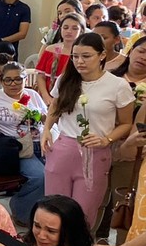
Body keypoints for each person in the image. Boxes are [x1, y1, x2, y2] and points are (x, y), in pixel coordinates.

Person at [41, 31, 133, 228]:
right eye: (75, 56)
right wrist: (47, 129)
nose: (79, 62)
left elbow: (126, 124)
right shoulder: (66, 79)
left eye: (86, 56)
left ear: (101, 55)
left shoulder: (117, 85)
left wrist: (106, 139)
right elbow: (55, 108)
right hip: (63, 149)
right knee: (54, 208)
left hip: (96, 152)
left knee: (84, 213)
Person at [0, 61, 49, 223]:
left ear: (25, 79)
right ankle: (20, 211)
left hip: (41, 145)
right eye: (8, 80)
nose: (13, 84)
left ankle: (42, 215)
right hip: (19, 150)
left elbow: (47, 117)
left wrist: (40, 117)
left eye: (18, 79)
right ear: (1, 81)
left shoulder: (33, 95)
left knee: (58, 174)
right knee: (40, 177)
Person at [35, 11, 85, 104]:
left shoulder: (83, 54)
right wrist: (46, 96)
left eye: (74, 28)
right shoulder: (50, 49)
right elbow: (40, 76)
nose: (69, 31)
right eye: (65, 27)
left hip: (70, 99)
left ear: (81, 30)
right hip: (47, 98)